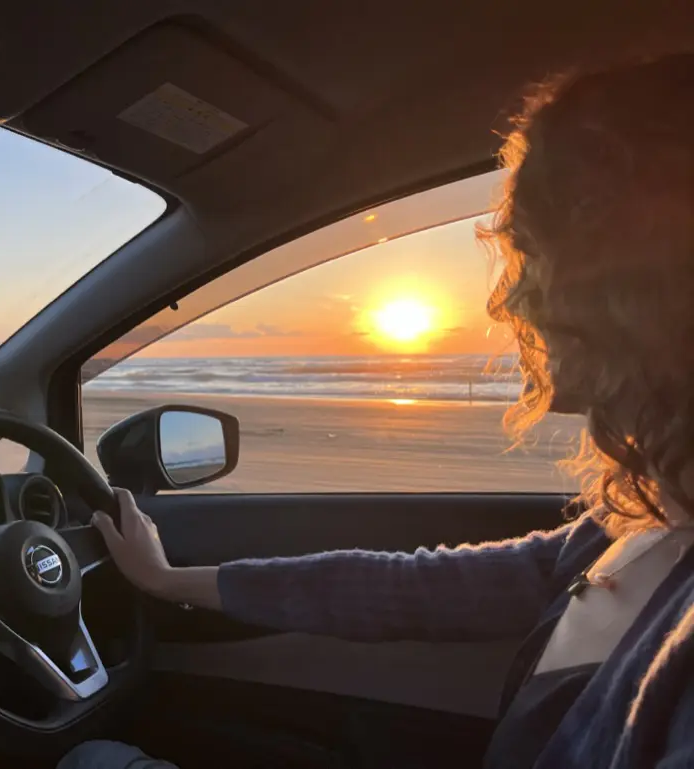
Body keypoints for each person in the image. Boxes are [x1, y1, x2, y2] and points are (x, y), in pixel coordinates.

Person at [60, 53, 694, 769]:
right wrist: (171, 581)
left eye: (534, 259)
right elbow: (409, 588)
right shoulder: (637, 524)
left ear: (643, 279)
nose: (509, 303)